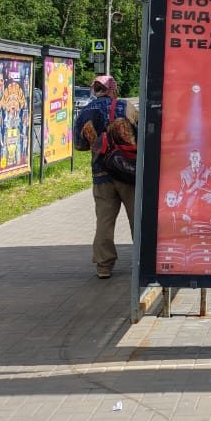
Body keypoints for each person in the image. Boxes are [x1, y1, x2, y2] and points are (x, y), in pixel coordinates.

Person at [73, 74, 137, 279]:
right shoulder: (125, 107)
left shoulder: (84, 113)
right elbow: (143, 133)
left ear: (95, 90)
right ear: (113, 88)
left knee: (104, 222)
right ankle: (142, 261)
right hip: (129, 173)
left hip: (101, 175)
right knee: (138, 219)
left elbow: (79, 145)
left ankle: (104, 266)